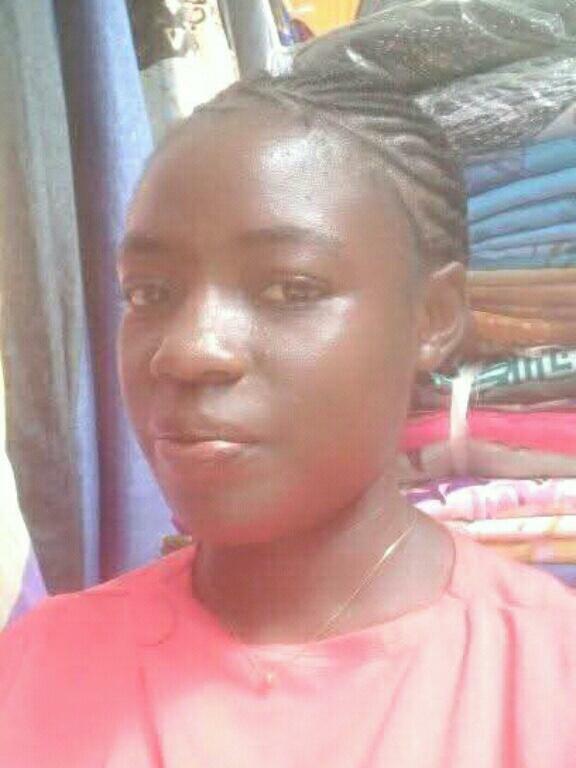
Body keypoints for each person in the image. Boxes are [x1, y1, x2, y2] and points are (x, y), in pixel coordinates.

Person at [1, 47, 575, 768]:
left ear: (432, 318)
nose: (188, 351)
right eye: (149, 292)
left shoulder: (551, 679)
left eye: (289, 289)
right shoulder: (31, 671)